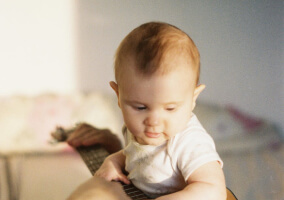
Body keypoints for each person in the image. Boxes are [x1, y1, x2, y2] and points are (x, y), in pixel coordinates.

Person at [69, 22, 226, 200]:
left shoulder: (189, 141)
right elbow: (136, 155)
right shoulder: (135, 129)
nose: (153, 121)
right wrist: (112, 162)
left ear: (193, 99)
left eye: (170, 108)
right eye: (140, 107)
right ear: (118, 96)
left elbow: (213, 189)